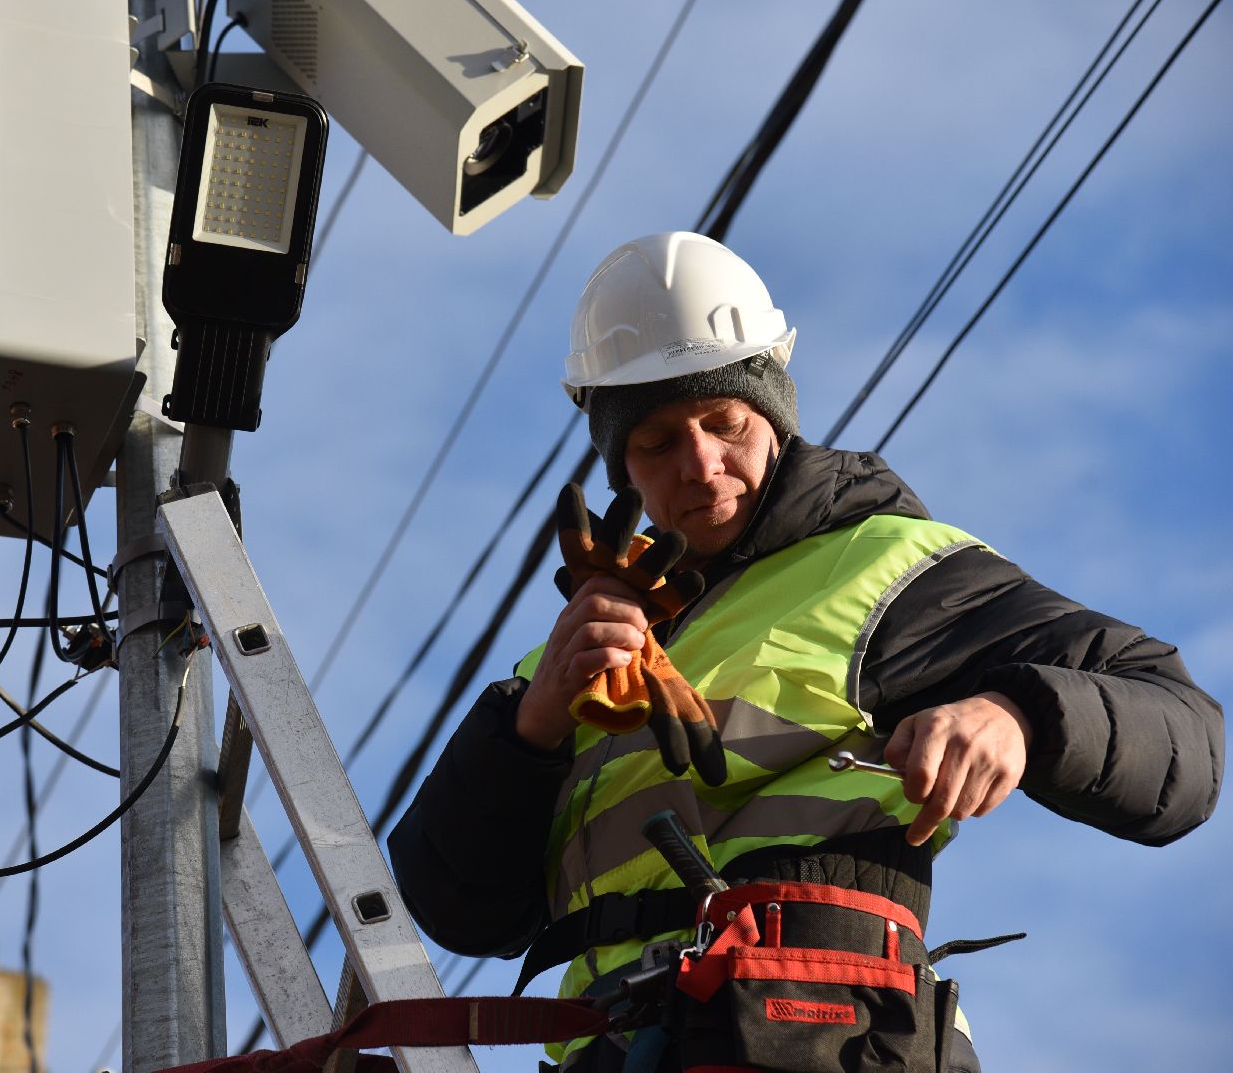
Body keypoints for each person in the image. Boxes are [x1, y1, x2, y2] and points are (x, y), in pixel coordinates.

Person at [386, 232, 1223, 1072]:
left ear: (776, 418)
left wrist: (1020, 715)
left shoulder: (889, 571)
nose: (703, 464)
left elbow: (1188, 740)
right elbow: (455, 907)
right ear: (621, 468)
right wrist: (532, 726)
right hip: (618, 1048)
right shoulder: (569, 662)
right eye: (658, 442)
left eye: (725, 423)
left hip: (821, 1033)